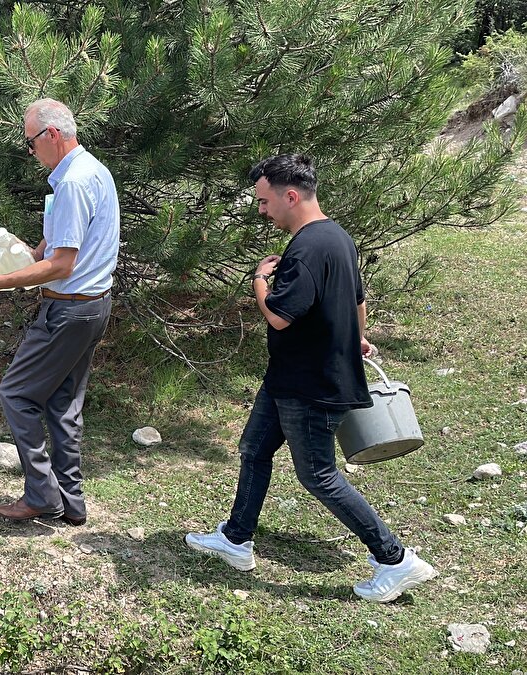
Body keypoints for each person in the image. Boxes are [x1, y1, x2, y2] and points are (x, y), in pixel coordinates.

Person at [184, 154, 435, 602]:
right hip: (290, 377)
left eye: (264, 202)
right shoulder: (338, 237)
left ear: (291, 195)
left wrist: (260, 278)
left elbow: (279, 315)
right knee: (255, 449)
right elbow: (356, 300)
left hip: (311, 385)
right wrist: (356, 339)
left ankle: (395, 560)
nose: (262, 211)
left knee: (318, 475)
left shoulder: (305, 246)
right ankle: (236, 538)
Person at [0, 98, 119, 526]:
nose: (30, 150)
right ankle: (71, 503)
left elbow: (62, 264)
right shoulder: (92, 171)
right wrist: (20, 253)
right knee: (64, 404)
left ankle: (42, 495)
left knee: (15, 394)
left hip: (68, 310)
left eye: (31, 141)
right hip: (92, 307)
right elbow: (57, 248)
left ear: (52, 135)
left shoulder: (72, 182)